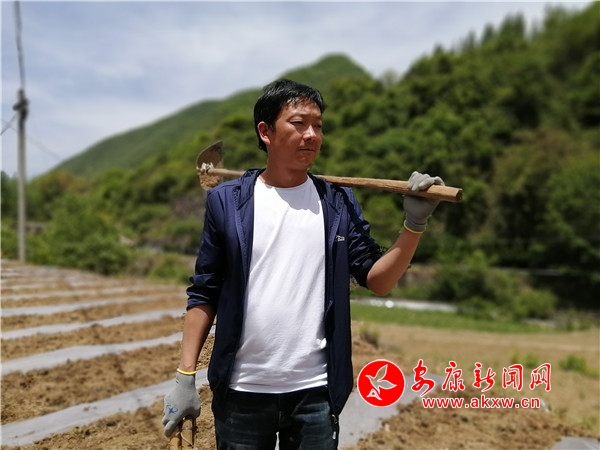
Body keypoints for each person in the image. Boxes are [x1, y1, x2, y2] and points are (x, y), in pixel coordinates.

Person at [162, 79, 444, 449]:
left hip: (315, 394)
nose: (311, 135)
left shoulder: (337, 202)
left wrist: (414, 224)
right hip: (242, 392)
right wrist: (185, 375)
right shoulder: (227, 203)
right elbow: (205, 291)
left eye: (318, 126)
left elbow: (378, 280)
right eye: (298, 123)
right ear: (265, 132)